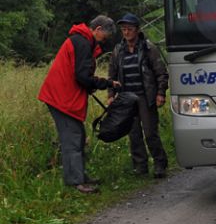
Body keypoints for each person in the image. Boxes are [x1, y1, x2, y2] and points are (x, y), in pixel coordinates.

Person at [38, 15, 120, 194]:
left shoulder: (82, 41)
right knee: (72, 140)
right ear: (97, 29)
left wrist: (90, 85)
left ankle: (80, 176)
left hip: (64, 96)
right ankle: (76, 182)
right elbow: (82, 77)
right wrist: (105, 83)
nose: (104, 41)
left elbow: (81, 76)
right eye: (104, 36)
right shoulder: (82, 43)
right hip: (61, 99)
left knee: (79, 137)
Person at [107, 13, 170, 178]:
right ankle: (140, 166)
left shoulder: (149, 48)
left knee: (150, 132)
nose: (126, 32)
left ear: (137, 30)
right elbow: (111, 75)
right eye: (123, 29)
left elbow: (161, 73)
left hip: (145, 96)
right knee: (134, 134)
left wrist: (160, 93)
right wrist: (111, 94)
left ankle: (159, 163)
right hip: (127, 99)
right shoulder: (118, 50)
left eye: (129, 29)